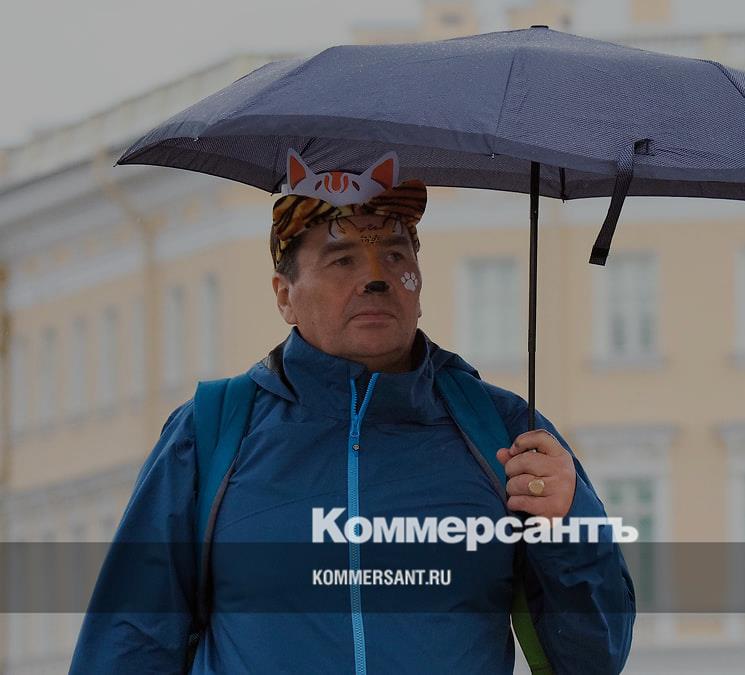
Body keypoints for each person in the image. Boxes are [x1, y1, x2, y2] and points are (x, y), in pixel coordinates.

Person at [68, 150, 636, 674]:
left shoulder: (505, 433)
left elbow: (594, 657)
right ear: (284, 295)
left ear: (418, 279)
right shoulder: (210, 433)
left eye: (395, 254)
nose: (375, 278)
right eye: (341, 260)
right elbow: (127, 644)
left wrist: (569, 529)